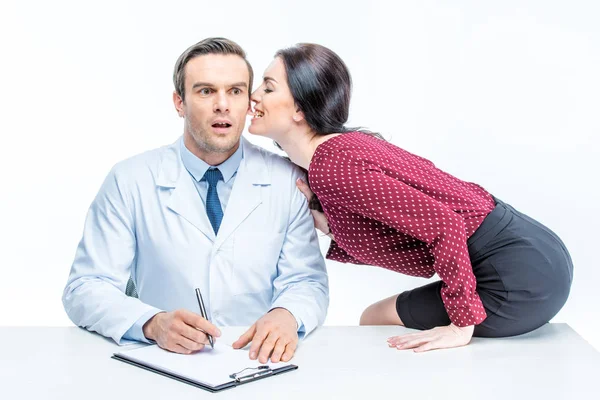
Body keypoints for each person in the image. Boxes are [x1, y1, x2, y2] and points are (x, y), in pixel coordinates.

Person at [247, 43, 573, 352]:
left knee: (375, 321)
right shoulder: (335, 153)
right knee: (374, 318)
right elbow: (407, 239)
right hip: (532, 252)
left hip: (519, 275)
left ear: (300, 109)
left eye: (268, 87)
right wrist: (332, 227)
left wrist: (462, 325)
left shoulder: (332, 164)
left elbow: (446, 225)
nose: (253, 96)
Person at [62, 38, 329, 364]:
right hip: (164, 364)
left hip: (256, 362)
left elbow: (307, 281)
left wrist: (287, 315)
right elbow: (86, 287)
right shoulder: (130, 179)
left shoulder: (288, 180)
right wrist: (152, 323)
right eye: (205, 91)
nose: (223, 105)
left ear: (249, 102)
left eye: (235, 91)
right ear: (179, 103)